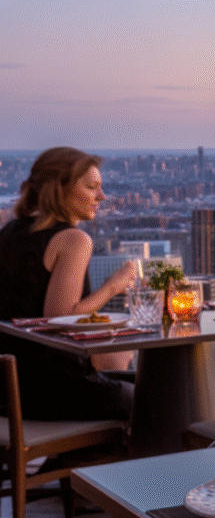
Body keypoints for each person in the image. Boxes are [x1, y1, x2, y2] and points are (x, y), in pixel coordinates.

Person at [0, 146, 137, 420]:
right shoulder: (73, 240)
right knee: (157, 399)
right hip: (51, 389)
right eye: (91, 187)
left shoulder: (10, 231)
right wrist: (113, 286)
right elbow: (60, 319)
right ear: (58, 190)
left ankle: (63, 461)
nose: (101, 196)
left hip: (7, 390)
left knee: (131, 382)